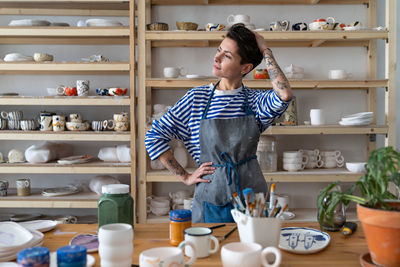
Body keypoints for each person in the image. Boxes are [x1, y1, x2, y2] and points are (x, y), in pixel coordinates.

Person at [145, 23, 293, 223]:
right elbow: (154, 136)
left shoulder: (255, 101)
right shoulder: (196, 99)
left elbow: (284, 94)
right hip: (211, 198)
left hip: (251, 199)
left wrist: (265, 49)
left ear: (246, 68)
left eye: (227, 56)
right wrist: (185, 176)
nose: (217, 58)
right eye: (218, 51)